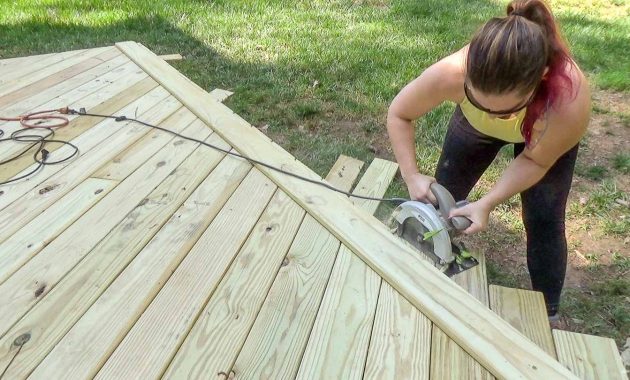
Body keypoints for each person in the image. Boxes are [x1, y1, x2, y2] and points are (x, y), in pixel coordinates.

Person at [386, 0, 591, 319]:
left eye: (504, 110)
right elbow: (400, 113)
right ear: (468, 76)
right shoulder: (451, 73)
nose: (492, 114)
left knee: (544, 217)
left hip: (542, 133)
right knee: (439, 202)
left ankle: (546, 313)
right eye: (478, 101)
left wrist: (489, 202)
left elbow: (535, 162)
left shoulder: (568, 101)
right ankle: (422, 275)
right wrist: (411, 175)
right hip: (473, 129)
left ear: (541, 78)